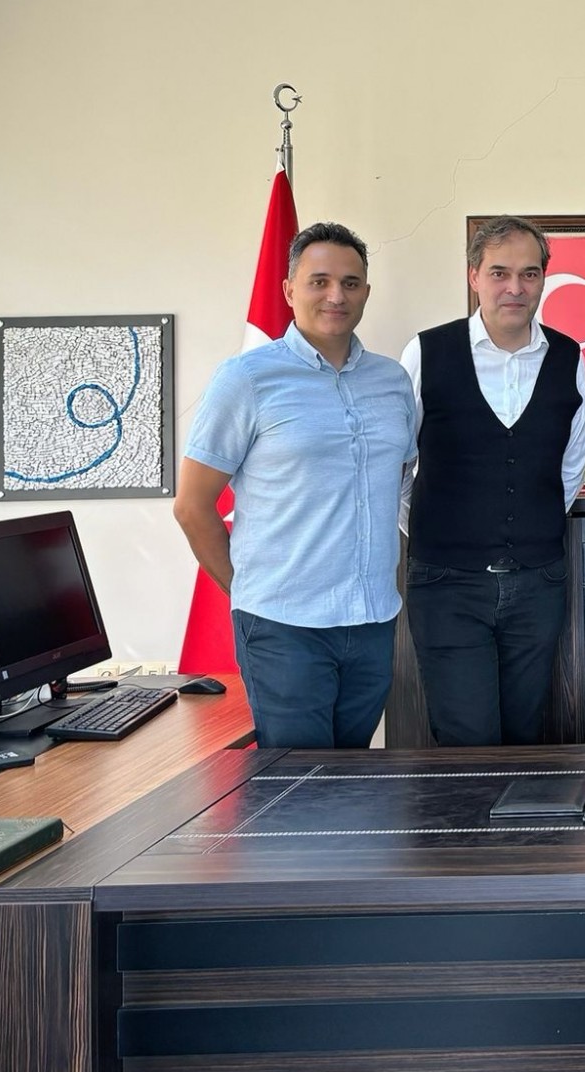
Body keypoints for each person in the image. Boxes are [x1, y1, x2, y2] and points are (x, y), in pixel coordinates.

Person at [175, 222, 416, 748]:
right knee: (297, 784)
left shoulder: (393, 382)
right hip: (284, 627)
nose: (336, 296)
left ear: (367, 293)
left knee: (349, 776)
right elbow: (192, 506)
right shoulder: (246, 379)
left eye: (350, 283)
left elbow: (400, 479)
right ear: (288, 290)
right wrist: (248, 592)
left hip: (373, 621)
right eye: (319, 281)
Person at [400, 216, 585, 746]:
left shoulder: (568, 357)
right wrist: (440, 537)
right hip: (447, 585)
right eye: (500, 273)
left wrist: (526, 528)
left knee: (525, 737)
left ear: (543, 279)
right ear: (473, 277)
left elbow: (570, 467)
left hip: (537, 584)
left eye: (529, 274)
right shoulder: (426, 352)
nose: (515, 288)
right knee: (468, 742)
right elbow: (398, 466)